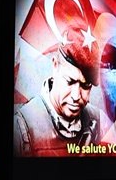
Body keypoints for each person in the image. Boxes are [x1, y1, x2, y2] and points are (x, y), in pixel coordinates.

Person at [14, 21, 105, 156]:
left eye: (85, 86)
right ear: (55, 66)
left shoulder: (98, 120)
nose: (76, 96)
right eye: (69, 81)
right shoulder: (21, 128)